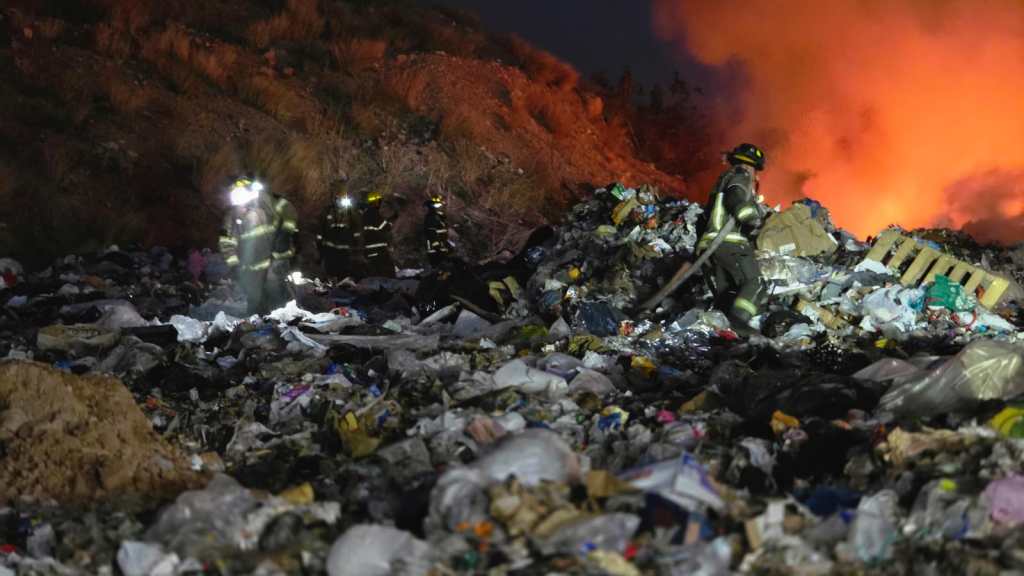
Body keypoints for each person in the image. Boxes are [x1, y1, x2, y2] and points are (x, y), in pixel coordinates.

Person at [696, 143, 767, 333]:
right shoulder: (741, 176)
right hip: (729, 242)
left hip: (711, 246)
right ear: (750, 166)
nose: (754, 175)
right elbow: (735, 198)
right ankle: (737, 328)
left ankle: (720, 334)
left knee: (727, 295)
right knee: (756, 284)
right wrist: (753, 219)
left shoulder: (722, 180)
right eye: (754, 170)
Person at [219, 177, 298, 315]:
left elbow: (289, 210)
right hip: (251, 268)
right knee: (255, 302)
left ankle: (284, 323)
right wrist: (234, 265)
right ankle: (257, 329)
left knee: (276, 295)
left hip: (275, 259)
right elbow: (226, 242)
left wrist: (285, 233)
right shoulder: (231, 217)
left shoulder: (266, 202)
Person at [317, 182, 362, 280]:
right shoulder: (328, 211)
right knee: (330, 267)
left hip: (344, 247)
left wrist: (356, 245)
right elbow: (321, 227)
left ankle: (343, 283)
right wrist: (320, 244)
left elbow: (356, 228)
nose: (341, 201)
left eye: (343, 199)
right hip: (330, 246)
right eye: (339, 199)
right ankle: (330, 282)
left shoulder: (350, 213)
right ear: (336, 199)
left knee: (344, 268)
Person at [360, 188, 394, 278]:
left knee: (374, 274)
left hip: (368, 250)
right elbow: (385, 227)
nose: (379, 203)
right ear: (376, 202)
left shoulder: (364, 214)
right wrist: (391, 221)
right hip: (379, 250)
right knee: (386, 273)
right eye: (379, 201)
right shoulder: (374, 213)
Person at [423, 194, 452, 267]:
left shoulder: (438, 217)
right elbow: (431, 232)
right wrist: (437, 246)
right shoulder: (431, 217)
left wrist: (447, 245)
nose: (440, 207)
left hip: (441, 247)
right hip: (436, 250)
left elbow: (442, 231)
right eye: (438, 206)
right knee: (439, 268)